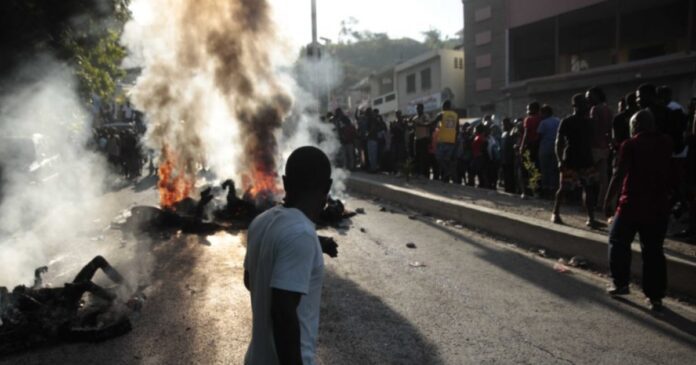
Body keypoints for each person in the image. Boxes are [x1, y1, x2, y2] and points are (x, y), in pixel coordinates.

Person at [244, 146, 334, 365]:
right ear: (328, 187)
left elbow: (249, 280)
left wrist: (315, 244)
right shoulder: (301, 234)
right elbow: (283, 314)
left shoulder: (261, 222)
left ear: (285, 182)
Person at [603, 110, 673, 311]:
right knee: (653, 251)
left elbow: (619, 174)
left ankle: (620, 283)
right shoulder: (666, 142)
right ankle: (655, 296)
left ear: (637, 125)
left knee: (618, 241)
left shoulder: (630, 145)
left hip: (631, 204)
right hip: (659, 205)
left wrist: (608, 200)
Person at [552, 94, 600, 227]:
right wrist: (559, 160)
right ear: (575, 106)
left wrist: (595, 158)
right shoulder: (567, 121)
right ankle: (555, 213)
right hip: (570, 159)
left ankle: (591, 218)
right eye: (583, 104)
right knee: (564, 188)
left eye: (586, 104)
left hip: (587, 160)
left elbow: (593, 141)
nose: (586, 106)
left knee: (589, 188)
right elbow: (559, 142)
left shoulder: (590, 122)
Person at [586, 87, 614, 207]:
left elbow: (593, 129)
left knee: (589, 178)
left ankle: (589, 204)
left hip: (594, 147)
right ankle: (602, 203)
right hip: (605, 147)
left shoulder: (595, 109)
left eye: (589, 96)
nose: (587, 99)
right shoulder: (608, 109)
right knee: (604, 179)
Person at [537, 105, 560, 197]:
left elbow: (539, 136)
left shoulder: (543, 123)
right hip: (555, 149)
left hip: (544, 149)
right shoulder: (558, 121)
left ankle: (546, 191)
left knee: (545, 170)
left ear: (545, 113)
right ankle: (554, 190)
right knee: (554, 170)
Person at [433, 100, 459, 182]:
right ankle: (446, 178)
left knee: (439, 158)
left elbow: (433, 122)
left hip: (443, 140)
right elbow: (457, 129)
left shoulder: (441, 114)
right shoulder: (455, 115)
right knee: (447, 160)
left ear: (444, 107)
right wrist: (454, 139)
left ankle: (447, 172)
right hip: (452, 141)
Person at [411, 104, 433, 177]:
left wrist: (419, 124)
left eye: (419, 108)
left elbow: (428, 124)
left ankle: (425, 174)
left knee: (424, 157)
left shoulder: (425, 116)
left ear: (422, 109)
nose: (418, 110)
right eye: (417, 108)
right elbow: (413, 127)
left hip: (424, 138)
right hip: (417, 139)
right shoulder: (415, 118)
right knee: (417, 156)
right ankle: (418, 172)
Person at [519, 102, 542, 168]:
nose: (527, 111)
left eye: (528, 109)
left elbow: (526, 134)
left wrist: (522, 147)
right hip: (540, 145)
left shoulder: (528, 119)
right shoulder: (542, 118)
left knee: (532, 168)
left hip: (531, 146)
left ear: (533, 109)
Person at [500, 118, 517, 193]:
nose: (503, 125)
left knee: (511, 175)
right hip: (504, 158)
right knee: (506, 175)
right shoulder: (503, 133)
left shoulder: (512, 133)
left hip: (510, 158)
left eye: (504, 124)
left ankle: (512, 189)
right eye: (502, 124)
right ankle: (507, 189)